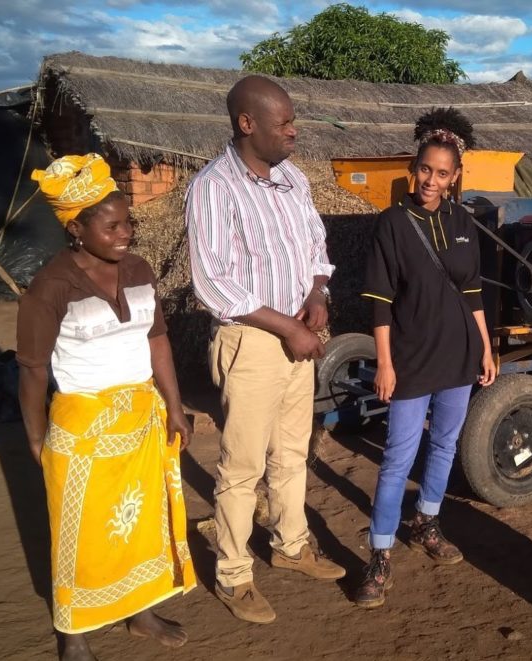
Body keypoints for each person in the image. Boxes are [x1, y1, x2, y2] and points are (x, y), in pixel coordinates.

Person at [18, 154, 195, 660]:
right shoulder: (50, 287)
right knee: (81, 536)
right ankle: (73, 633)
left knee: (141, 524)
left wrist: (176, 407)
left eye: (129, 223)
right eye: (112, 225)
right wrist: (36, 438)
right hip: (83, 428)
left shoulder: (138, 270)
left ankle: (140, 612)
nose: (126, 234)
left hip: (141, 420)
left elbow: (157, 340)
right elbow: (31, 368)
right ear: (76, 229)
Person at [186, 75, 342, 624]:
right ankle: (232, 573)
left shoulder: (292, 180)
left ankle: (291, 545)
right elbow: (213, 281)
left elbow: (317, 245)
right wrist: (287, 327)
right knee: (242, 466)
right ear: (246, 124)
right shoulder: (213, 188)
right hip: (253, 342)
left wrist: (318, 293)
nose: (294, 132)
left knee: (293, 451)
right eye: (284, 123)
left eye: (293, 120)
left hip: (299, 333)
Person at [355, 108, 496, 608]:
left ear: (455, 177)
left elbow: (473, 290)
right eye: (424, 170)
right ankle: (380, 554)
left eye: (442, 173)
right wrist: (385, 362)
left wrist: (486, 346)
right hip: (412, 358)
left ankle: (428, 522)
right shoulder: (393, 223)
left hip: (460, 354)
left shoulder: (463, 222)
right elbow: (378, 298)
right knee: (397, 458)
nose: (430, 181)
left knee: (445, 445)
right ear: (413, 168)